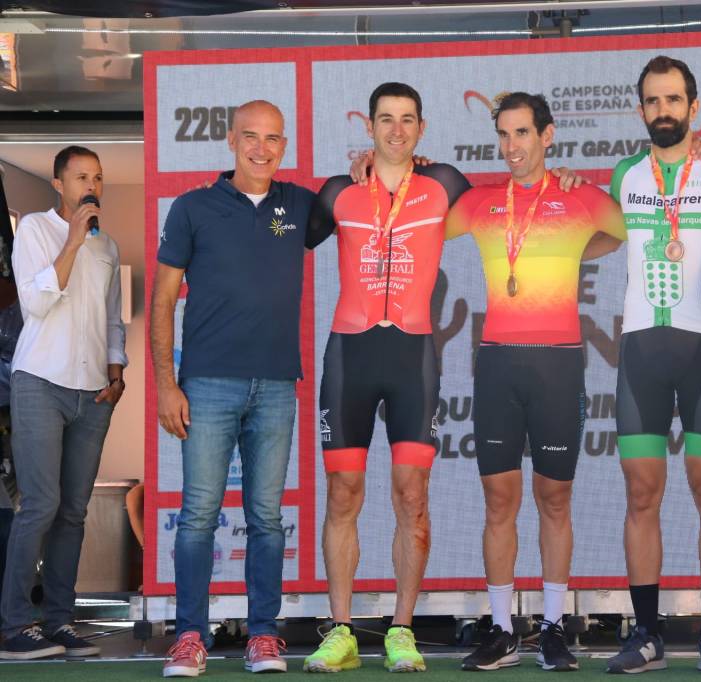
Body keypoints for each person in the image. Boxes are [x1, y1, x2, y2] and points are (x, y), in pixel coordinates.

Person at [446, 92, 626, 673]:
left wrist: (574, 251)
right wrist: (407, 166)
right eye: (503, 134)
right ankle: (502, 631)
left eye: (522, 133)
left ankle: (551, 628)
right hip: (498, 364)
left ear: (546, 136)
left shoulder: (579, 197)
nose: (511, 146)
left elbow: (630, 227)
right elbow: (418, 216)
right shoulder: (479, 203)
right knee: (499, 500)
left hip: (558, 364)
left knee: (554, 498)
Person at [302, 82, 471, 674]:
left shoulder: (444, 182)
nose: (396, 130)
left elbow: (505, 207)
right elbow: (282, 236)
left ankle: (402, 629)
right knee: (343, 492)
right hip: (349, 354)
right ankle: (341, 630)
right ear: (368, 126)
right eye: (386, 119)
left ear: (421, 128)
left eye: (407, 120)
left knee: (412, 494)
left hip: (412, 356)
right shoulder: (339, 191)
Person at [152, 100, 316, 677]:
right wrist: (166, 384)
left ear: (284, 144)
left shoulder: (299, 204)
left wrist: (389, 163)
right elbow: (163, 301)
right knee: (199, 515)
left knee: (266, 517)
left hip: (276, 385)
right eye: (251, 136)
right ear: (231, 139)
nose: (261, 149)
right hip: (207, 385)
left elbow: (364, 200)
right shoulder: (192, 207)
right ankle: (189, 637)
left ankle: (263, 635)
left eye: (273, 138)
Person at [605, 56, 701, 676]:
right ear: (640, 108)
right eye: (652, 100)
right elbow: (588, 228)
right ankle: (645, 634)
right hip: (642, 349)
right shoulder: (624, 174)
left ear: (694, 107)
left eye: (673, 100)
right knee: (641, 492)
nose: (662, 110)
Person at [0, 146, 127, 660]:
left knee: (73, 511)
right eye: (80, 177)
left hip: (93, 393)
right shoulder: (35, 229)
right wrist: (72, 240)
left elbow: (112, 318)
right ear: (59, 184)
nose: (90, 186)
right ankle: (14, 625)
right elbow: (35, 302)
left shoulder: (108, 246)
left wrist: (117, 372)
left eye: (97, 177)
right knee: (41, 504)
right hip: (39, 382)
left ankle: (58, 620)